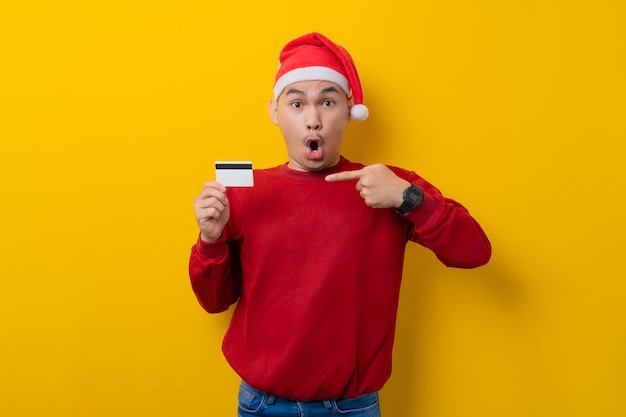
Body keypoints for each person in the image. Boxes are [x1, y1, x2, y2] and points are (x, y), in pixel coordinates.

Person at [189, 32, 491, 417]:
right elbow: (214, 303)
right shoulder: (243, 192)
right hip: (261, 404)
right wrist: (210, 240)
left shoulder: (389, 184)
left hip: (352, 408)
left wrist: (408, 198)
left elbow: (476, 252)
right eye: (297, 103)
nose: (313, 120)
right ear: (275, 111)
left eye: (328, 102)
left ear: (349, 110)